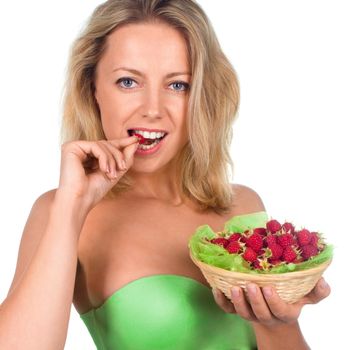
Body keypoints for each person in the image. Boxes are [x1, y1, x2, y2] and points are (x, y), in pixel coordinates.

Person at [0, 0, 331, 349]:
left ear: (202, 95)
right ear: (93, 88)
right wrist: (71, 208)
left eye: (178, 85)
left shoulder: (243, 207)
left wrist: (278, 325)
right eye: (128, 82)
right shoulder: (62, 212)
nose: (153, 109)